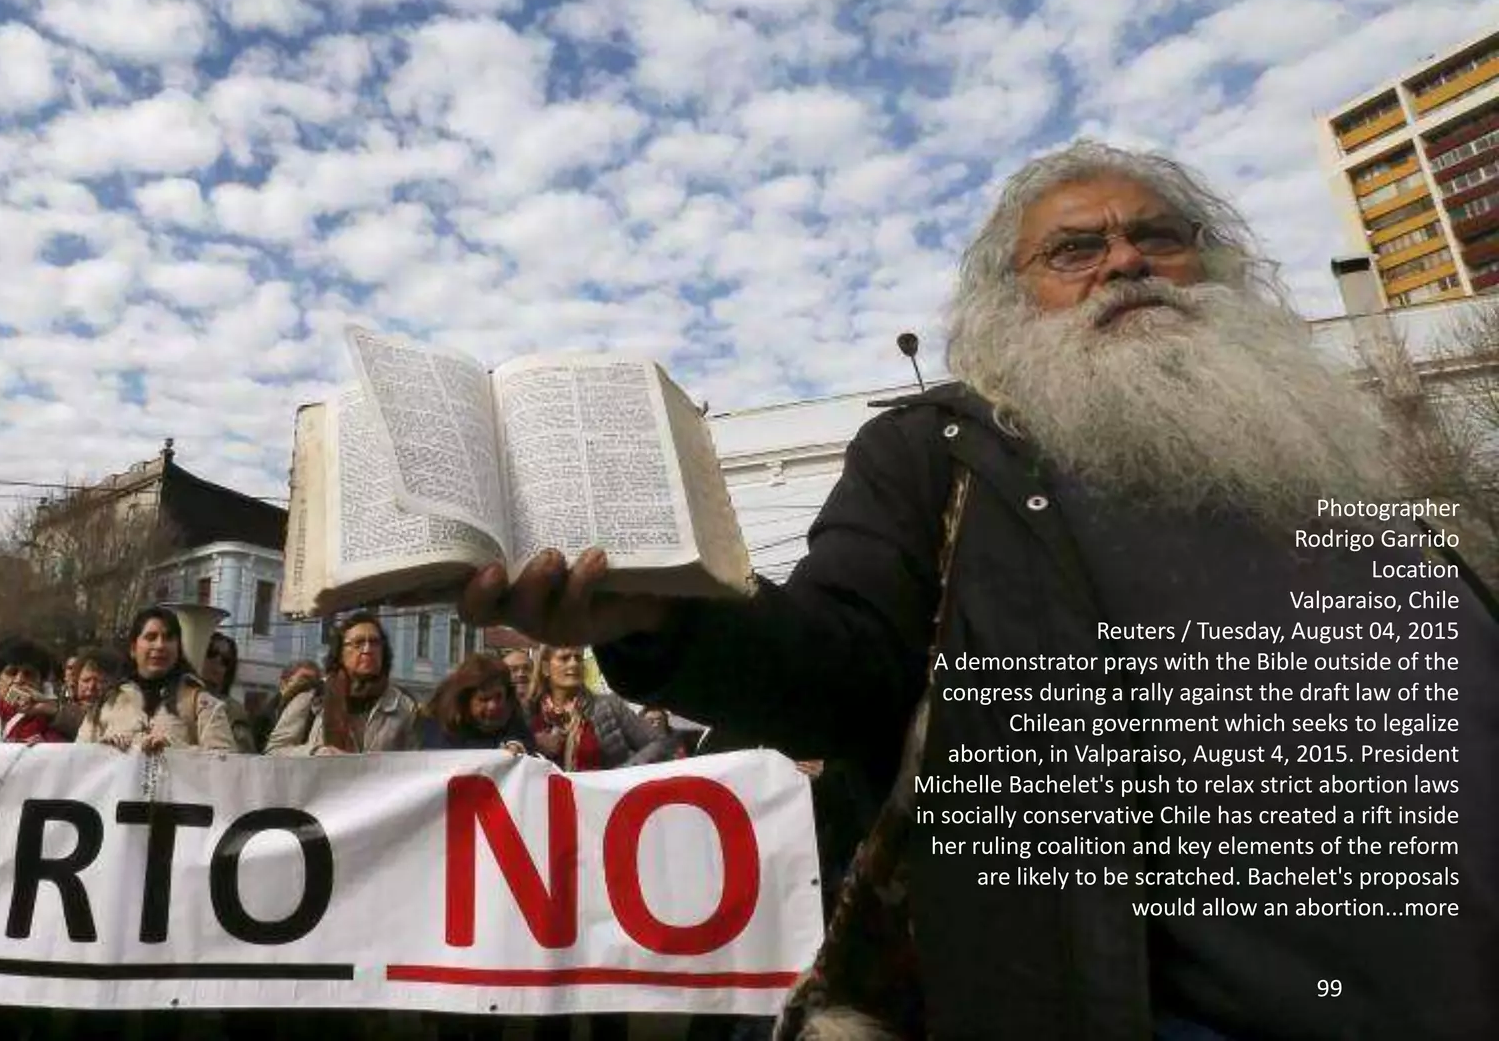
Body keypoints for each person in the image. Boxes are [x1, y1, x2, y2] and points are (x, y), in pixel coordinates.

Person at [458, 140, 1499, 1041]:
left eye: (1157, 235)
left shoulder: (1338, 452)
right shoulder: (940, 457)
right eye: (1074, 250)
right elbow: (835, 665)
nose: (1125, 262)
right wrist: (656, 617)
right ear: (1011, 301)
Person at [80, 607, 239, 752]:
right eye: (151, 637)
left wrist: (175, 750)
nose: (160, 645)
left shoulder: (202, 703)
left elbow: (226, 765)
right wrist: (103, 752)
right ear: (133, 649)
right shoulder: (106, 703)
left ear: (178, 649)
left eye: (168, 638)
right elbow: (79, 762)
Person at [267, 612, 420, 755]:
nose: (367, 649)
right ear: (340, 652)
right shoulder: (312, 696)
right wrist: (314, 753)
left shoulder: (403, 705)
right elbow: (274, 751)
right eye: (358, 643)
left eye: (374, 643)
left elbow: (414, 765)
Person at [525, 645, 673, 770]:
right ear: (545, 668)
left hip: (606, 800)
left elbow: (658, 743)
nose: (573, 664)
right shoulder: (528, 713)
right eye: (564, 658)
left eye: (578, 658)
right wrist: (534, 744)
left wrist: (623, 773)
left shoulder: (608, 706)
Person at [416, 653, 533, 753]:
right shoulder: (437, 723)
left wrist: (516, 746)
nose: (493, 706)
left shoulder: (513, 716)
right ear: (466, 700)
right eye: (484, 699)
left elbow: (526, 743)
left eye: (498, 697)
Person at [201, 632, 257, 752]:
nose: (217, 660)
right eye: (211, 653)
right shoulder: (176, 698)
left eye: (225, 660)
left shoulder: (233, 710)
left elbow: (244, 755)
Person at [251, 659, 321, 752]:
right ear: (283, 683)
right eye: (304, 679)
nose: (310, 685)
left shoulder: (316, 712)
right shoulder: (263, 718)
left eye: (315, 680)